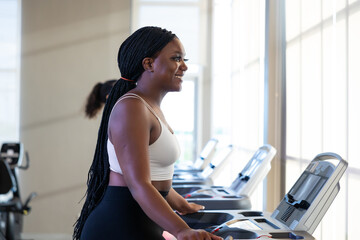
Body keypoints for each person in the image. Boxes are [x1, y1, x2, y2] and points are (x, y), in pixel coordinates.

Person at [73, 26, 223, 240]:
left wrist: (185, 206)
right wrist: (182, 230)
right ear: (149, 63)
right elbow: (139, 184)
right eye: (176, 58)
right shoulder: (132, 108)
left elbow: (156, 179)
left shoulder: (148, 106)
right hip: (119, 226)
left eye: (184, 59)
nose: (184, 67)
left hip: (139, 223)